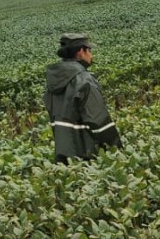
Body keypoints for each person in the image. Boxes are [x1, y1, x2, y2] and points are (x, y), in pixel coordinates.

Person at [44, 32, 122, 163]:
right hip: (87, 156)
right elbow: (99, 122)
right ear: (81, 51)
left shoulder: (53, 82)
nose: (91, 55)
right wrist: (117, 149)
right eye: (89, 50)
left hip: (63, 157)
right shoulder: (84, 81)